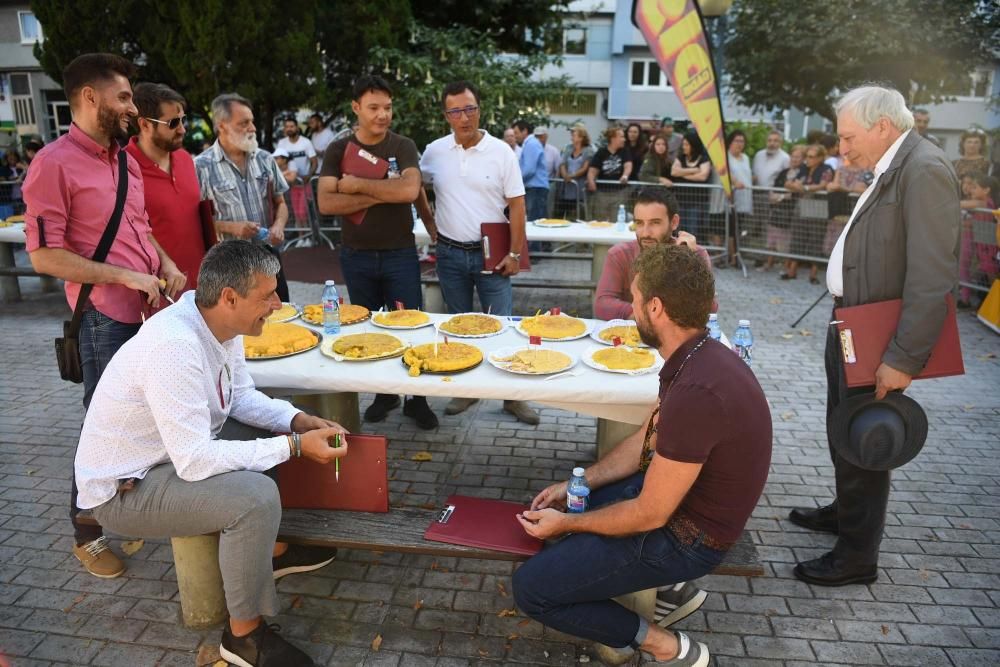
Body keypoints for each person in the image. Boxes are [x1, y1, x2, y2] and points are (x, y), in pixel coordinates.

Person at [76, 240, 344, 666]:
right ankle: (243, 638)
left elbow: (239, 398)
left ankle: (268, 556)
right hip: (125, 488)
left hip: (165, 459)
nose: (277, 303)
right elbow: (195, 460)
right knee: (254, 499)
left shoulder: (217, 324)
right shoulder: (174, 344)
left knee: (264, 429)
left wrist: (296, 421)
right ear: (229, 297)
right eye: (267, 295)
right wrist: (292, 447)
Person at [513, 243, 772, 667]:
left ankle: (663, 644)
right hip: (685, 508)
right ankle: (669, 592)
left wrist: (571, 521)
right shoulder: (699, 354)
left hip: (692, 540)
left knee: (533, 588)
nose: (629, 310)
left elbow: (650, 514)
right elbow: (647, 440)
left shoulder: (695, 390)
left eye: (633, 300)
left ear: (655, 308)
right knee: (577, 510)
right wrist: (577, 486)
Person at [22, 53, 186, 579]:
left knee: (140, 417)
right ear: (89, 97)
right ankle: (86, 529)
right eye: (122, 97)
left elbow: (137, 225)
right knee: (102, 424)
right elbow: (44, 257)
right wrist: (124, 277)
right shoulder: (52, 162)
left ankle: (123, 503)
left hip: (146, 312)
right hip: (102, 319)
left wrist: (165, 262)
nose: (131, 108)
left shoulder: (124, 158)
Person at [789, 85, 960, 587]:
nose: (841, 148)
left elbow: (932, 277)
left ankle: (856, 556)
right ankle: (846, 512)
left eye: (847, 137)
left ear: (882, 126)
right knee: (843, 426)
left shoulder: (923, 170)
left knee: (866, 440)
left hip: (876, 335)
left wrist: (904, 357)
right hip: (852, 326)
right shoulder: (894, 166)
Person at [316, 75, 438, 430]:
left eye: (387, 107)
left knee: (411, 325)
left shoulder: (402, 145)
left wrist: (354, 186)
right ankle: (383, 395)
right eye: (374, 108)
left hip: (400, 252)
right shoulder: (338, 149)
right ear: (356, 108)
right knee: (367, 327)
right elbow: (326, 202)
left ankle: (418, 399)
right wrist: (387, 189)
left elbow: (411, 190)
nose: (383, 114)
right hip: (357, 255)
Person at [415, 80, 538, 425]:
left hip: (493, 255)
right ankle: (466, 389)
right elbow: (414, 184)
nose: (464, 117)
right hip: (450, 253)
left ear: (480, 110)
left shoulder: (502, 152)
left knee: (503, 325)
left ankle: (513, 397)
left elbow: (517, 206)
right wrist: (428, 219)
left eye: (470, 108)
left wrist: (515, 253)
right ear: (446, 116)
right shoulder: (435, 151)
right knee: (458, 324)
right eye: (456, 111)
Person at [194, 93, 291, 301]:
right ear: (222, 126)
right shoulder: (201, 166)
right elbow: (197, 222)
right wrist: (231, 227)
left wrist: (278, 226)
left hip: (267, 257)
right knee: (237, 330)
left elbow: (281, 202)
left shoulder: (265, 159)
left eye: (252, 122)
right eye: (244, 123)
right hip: (229, 265)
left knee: (280, 317)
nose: (253, 128)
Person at [126, 82, 205, 292]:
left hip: (200, 285)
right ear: (144, 125)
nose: (182, 129)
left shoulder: (185, 158)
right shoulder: (123, 168)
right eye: (172, 123)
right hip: (159, 291)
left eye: (183, 120)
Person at [594, 187, 716, 321]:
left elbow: (709, 308)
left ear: (674, 222)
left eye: (655, 223)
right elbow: (602, 305)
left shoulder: (695, 254)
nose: (645, 233)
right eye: (639, 223)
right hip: (631, 337)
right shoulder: (619, 254)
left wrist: (689, 263)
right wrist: (656, 316)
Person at [782, 143, 833, 283]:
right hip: (802, 204)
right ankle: (792, 270)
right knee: (797, 236)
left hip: (818, 206)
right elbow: (788, 183)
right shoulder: (804, 168)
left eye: (811, 157)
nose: (808, 160)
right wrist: (805, 188)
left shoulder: (827, 169)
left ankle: (813, 274)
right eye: (807, 157)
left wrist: (803, 187)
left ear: (820, 157)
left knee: (816, 239)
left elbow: (823, 185)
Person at [761, 145, 807, 273]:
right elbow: (776, 191)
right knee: (772, 238)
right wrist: (782, 196)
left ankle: (786, 266)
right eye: (793, 156)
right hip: (777, 210)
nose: (794, 159)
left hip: (792, 211)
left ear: (803, 159)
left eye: (798, 157)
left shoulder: (803, 173)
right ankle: (768, 263)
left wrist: (780, 196)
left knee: (787, 240)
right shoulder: (783, 172)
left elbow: (792, 194)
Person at [958, 171, 998, 308]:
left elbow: (961, 204)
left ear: (986, 190)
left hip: (988, 249)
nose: (971, 189)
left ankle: (995, 305)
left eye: (975, 187)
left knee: (992, 278)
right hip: (983, 248)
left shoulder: (983, 202)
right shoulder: (984, 202)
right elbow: (973, 223)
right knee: (988, 276)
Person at [670, 130, 711, 239]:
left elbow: (703, 176)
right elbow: (673, 172)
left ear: (694, 145)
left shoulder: (703, 159)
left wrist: (682, 174)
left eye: (686, 144)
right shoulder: (681, 158)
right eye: (683, 144)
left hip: (696, 203)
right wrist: (694, 170)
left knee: (692, 230)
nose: (684, 147)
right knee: (679, 229)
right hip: (680, 201)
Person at [587, 127, 633, 221]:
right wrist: (591, 181)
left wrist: (625, 176)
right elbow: (592, 170)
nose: (624, 139)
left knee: (616, 219)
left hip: (619, 192)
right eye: (621, 137)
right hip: (602, 192)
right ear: (613, 138)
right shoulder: (601, 152)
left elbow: (628, 165)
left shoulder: (625, 151)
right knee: (600, 219)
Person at [554, 124, 594, 220]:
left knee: (577, 215)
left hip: (579, 188)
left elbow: (585, 167)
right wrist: (565, 175)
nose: (571, 136)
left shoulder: (588, 150)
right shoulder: (568, 148)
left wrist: (571, 176)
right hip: (566, 187)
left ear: (581, 137)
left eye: (574, 134)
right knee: (560, 213)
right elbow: (562, 163)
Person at [514, 120, 550, 222]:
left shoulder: (531, 144)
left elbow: (529, 169)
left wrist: (515, 180)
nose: (515, 136)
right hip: (535, 188)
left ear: (524, 131)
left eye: (516, 133)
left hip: (536, 188)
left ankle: (538, 239)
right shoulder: (531, 143)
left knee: (536, 221)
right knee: (537, 219)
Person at [277, 116, 318, 183]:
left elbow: (314, 162)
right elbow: (278, 163)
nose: (289, 129)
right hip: (287, 181)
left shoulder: (306, 142)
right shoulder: (281, 143)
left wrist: (309, 176)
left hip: (304, 181)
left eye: (291, 126)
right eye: (287, 127)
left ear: (297, 128)